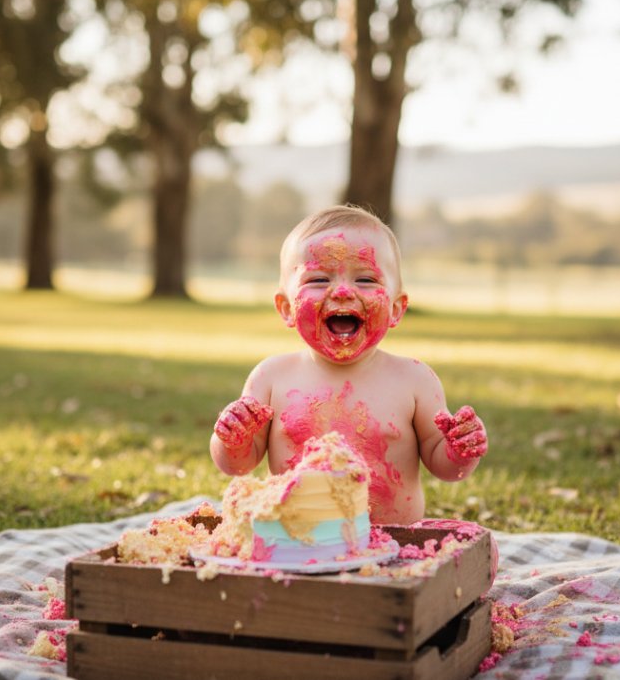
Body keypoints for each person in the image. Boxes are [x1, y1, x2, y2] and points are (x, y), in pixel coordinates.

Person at [209, 204, 487, 524]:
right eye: (318, 279)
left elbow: (446, 469)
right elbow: (237, 466)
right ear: (285, 307)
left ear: (397, 309)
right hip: (297, 543)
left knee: (476, 550)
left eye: (366, 279)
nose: (342, 291)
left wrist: (460, 451)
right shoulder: (271, 378)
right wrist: (232, 439)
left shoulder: (414, 380)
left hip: (393, 546)